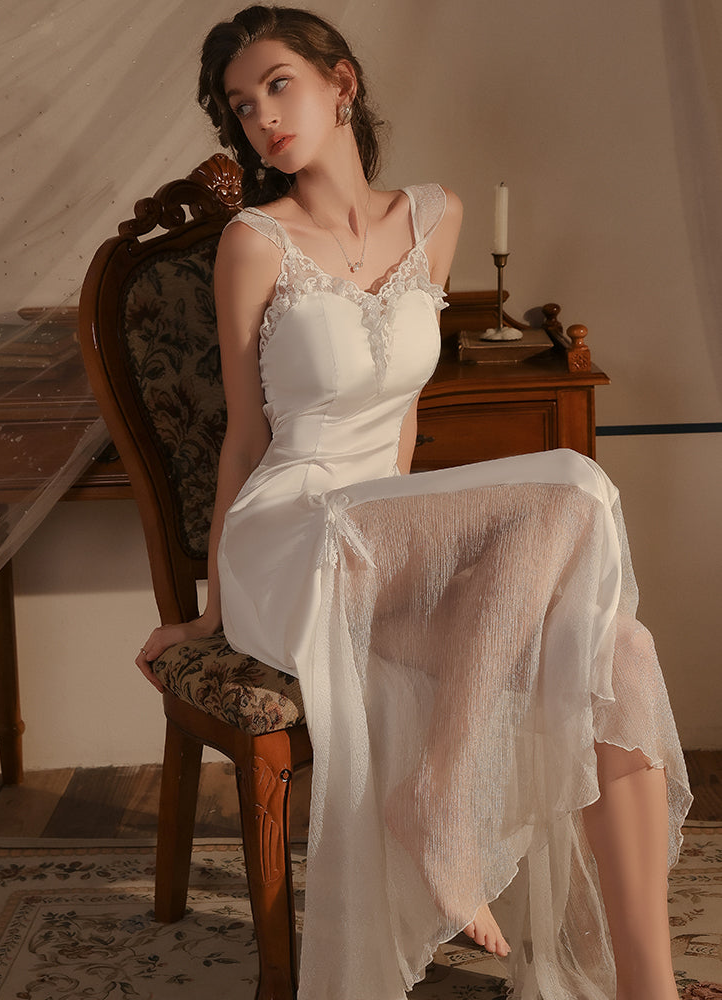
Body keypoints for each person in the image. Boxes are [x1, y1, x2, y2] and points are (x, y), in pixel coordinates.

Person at [137, 7, 691, 999]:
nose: (262, 118)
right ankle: (440, 797)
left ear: (340, 82)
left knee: (623, 654)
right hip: (294, 537)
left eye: (278, 85)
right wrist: (210, 609)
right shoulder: (255, 242)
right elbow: (245, 441)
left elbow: (402, 419)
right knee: (573, 483)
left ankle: (647, 986)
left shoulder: (435, 218)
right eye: (241, 105)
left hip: (383, 533)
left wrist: (431, 554)